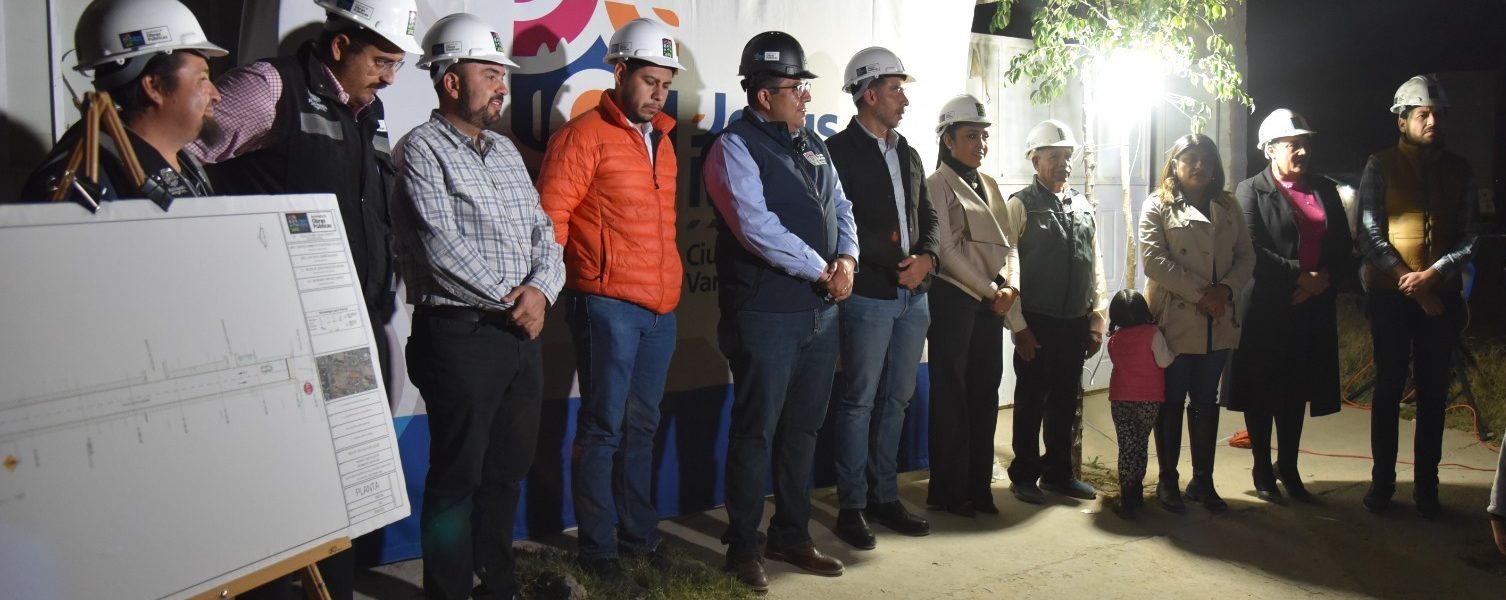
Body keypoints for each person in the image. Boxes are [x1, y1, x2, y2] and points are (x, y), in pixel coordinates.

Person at [388, 14, 565, 599]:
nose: (501, 85)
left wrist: (540, 292)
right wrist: (514, 301)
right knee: (456, 479)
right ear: (450, 81)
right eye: (489, 73)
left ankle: (498, 586)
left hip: (520, 336)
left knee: (505, 473)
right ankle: (446, 592)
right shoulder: (419, 150)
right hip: (461, 337)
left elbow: (545, 236)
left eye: (502, 74)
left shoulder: (509, 153)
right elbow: (441, 248)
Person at [702, 30, 858, 593]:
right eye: (796, 88)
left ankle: (791, 533)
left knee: (803, 429)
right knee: (756, 431)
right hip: (766, 313)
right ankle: (742, 547)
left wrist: (848, 258)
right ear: (764, 94)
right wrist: (825, 270)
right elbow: (754, 227)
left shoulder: (811, 144)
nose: (806, 98)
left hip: (819, 313)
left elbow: (841, 205)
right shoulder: (734, 146)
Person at [536, 17, 682, 593]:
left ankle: (638, 536)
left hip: (659, 310)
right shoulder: (581, 137)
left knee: (641, 427)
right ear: (619, 72)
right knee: (603, 429)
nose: (658, 93)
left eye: (666, 83)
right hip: (605, 306)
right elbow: (550, 220)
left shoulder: (664, 141)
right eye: (649, 80)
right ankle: (598, 549)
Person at [824, 46, 937, 548]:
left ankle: (884, 496)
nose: (904, 99)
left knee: (898, 398)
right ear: (868, 94)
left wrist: (928, 258)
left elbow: (928, 218)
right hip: (869, 295)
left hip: (915, 297)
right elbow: (835, 223)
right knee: (859, 400)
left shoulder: (908, 152)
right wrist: (896, 264)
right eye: (895, 89)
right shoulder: (836, 152)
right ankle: (852, 505)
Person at [1356, 75, 1479, 517]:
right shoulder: (1381, 165)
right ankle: (1382, 483)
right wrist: (1408, 279)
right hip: (1391, 296)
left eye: (1437, 114)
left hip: (1440, 296)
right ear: (1401, 121)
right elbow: (1369, 233)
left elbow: (1469, 236)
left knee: (1432, 394)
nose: (1431, 121)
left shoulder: (1459, 170)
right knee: (1388, 389)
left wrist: (1434, 275)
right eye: (1422, 114)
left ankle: (1427, 487)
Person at [1224, 109, 1354, 504]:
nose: (1302, 151)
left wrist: (1320, 283)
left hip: (1310, 306)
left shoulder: (1324, 190)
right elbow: (1251, 248)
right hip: (1266, 306)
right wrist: (1301, 276)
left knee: (1297, 389)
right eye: (1293, 144)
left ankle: (1289, 466)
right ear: (1270, 149)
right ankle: (1262, 466)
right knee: (1263, 389)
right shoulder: (1250, 190)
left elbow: (1343, 248)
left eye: (1306, 143)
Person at [1139, 133, 1254, 514]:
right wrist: (1201, 294)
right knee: (1171, 400)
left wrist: (1225, 292)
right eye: (1191, 159)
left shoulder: (1228, 205)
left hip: (1217, 320)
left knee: (1207, 401)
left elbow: (1246, 257)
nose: (1200, 166)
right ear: (1175, 163)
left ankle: (1202, 480)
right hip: (1177, 319)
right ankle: (1168, 481)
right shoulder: (1157, 205)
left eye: (1207, 159)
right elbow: (1154, 262)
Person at [21, 0, 225, 207]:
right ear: (154, 87)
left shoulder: (186, 163)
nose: (216, 94)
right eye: (202, 79)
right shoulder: (83, 179)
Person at [1003, 118, 1107, 506]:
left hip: (1074, 321)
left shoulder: (1082, 205)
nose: (1063, 164)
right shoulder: (1021, 205)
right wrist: (1019, 326)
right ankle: (1025, 474)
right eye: (1053, 157)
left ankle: (1059, 474)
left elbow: (1094, 263)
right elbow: (1007, 266)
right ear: (1035, 161)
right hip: (1037, 321)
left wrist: (1097, 318)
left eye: (1066, 156)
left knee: (1065, 401)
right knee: (1030, 401)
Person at [924, 94, 1017, 517]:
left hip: (990, 305)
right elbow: (943, 248)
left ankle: (979, 487)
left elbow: (1011, 244)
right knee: (952, 397)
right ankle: (949, 490)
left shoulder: (992, 184)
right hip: (955, 302)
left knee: (985, 394)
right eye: (971, 136)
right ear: (948, 140)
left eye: (983, 135)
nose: (980, 143)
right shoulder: (936, 184)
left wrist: (1010, 288)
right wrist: (988, 289)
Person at [1105, 289, 1175, 519]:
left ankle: (1128, 494)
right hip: (1149, 400)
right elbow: (1164, 361)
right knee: (1141, 443)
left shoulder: (1114, 340)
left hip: (1121, 399)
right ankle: (1136, 490)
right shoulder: (1153, 334)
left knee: (1127, 445)